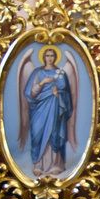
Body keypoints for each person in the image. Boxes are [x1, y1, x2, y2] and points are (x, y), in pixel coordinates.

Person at [21, 46, 74, 178]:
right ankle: (38, 164)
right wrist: (42, 83)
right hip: (38, 108)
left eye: (52, 55)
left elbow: (67, 95)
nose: (49, 58)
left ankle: (56, 165)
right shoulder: (37, 73)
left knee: (54, 133)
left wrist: (58, 94)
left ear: (55, 57)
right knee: (37, 134)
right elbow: (29, 93)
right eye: (47, 55)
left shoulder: (61, 73)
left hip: (55, 108)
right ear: (43, 57)